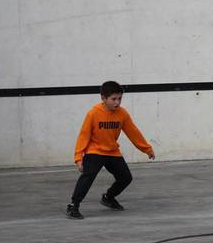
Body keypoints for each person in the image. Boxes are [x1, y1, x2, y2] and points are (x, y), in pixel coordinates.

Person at [66, 81, 156, 219]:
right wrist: (78, 157)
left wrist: (146, 149)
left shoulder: (122, 114)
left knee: (126, 178)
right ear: (103, 98)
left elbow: (133, 132)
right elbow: (83, 136)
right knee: (88, 176)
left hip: (112, 151)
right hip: (95, 151)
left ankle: (108, 197)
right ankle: (73, 205)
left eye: (119, 99)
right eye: (113, 99)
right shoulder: (93, 113)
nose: (117, 102)